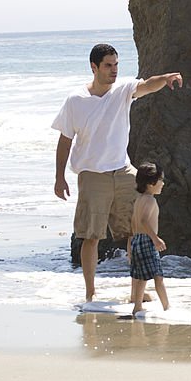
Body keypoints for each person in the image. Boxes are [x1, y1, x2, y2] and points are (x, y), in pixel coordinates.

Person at [52, 43, 182, 302]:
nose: (113, 70)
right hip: (91, 174)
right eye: (108, 66)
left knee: (137, 232)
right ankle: (90, 292)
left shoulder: (122, 90)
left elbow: (147, 84)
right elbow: (65, 140)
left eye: (116, 65)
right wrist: (59, 177)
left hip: (123, 171)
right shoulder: (76, 100)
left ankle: (139, 292)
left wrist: (166, 78)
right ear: (94, 67)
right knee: (91, 236)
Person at [127, 162, 169, 315]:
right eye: (161, 180)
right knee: (156, 276)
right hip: (147, 240)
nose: (163, 184)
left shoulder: (139, 199)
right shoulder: (150, 200)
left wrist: (130, 245)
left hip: (137, 239)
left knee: (142, 277)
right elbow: (144, 221)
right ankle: (165, 307)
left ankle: (140, 306)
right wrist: (156, 239)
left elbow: (134, 222)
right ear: (151, 183)